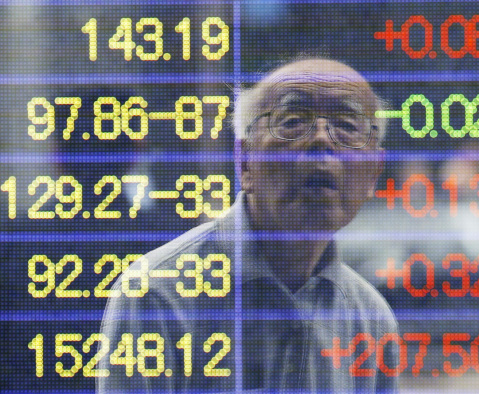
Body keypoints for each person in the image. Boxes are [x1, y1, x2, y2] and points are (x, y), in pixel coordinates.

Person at [98, 58, 398, 393]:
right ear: (244, 162)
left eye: (346, 125)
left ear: (374, 172)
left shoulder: (370, 318)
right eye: (293, 121)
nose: (321, 140)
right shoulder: (157, 296)